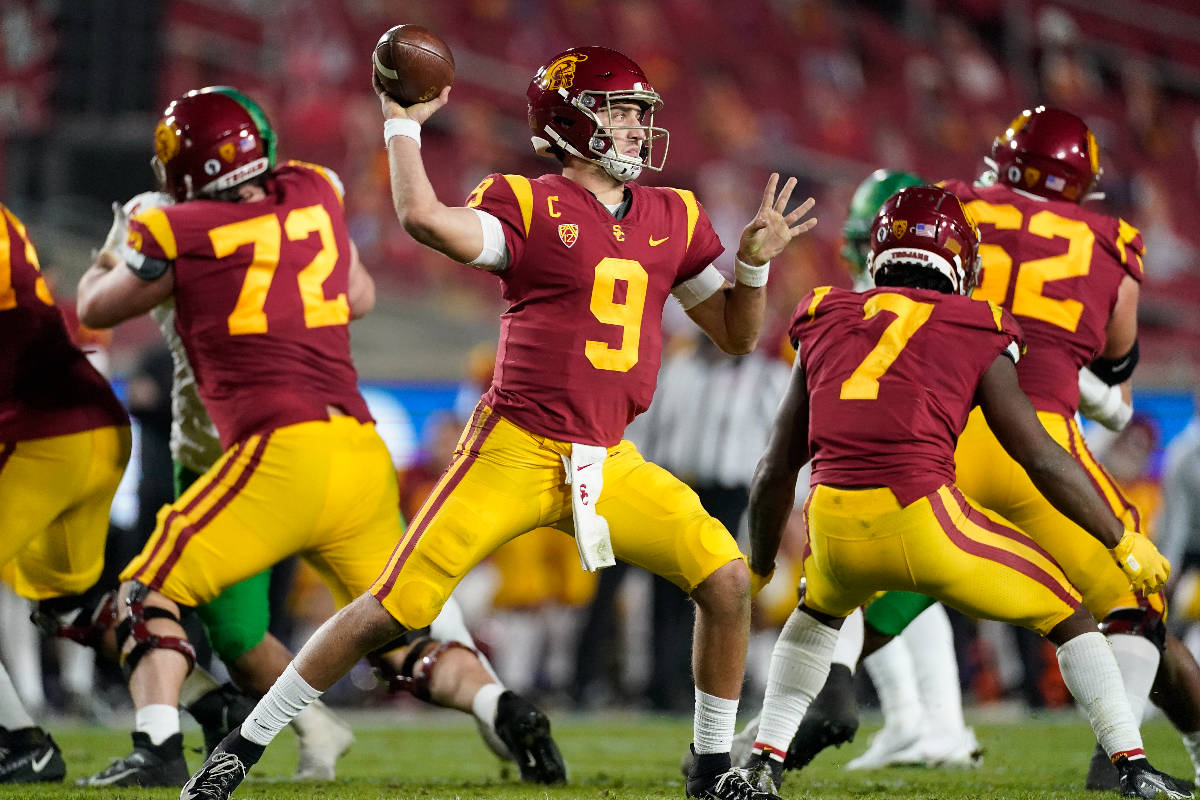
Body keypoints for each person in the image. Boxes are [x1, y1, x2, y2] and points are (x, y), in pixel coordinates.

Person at [184, 44, 816, 800]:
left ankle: (712, 770)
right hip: (511, 449)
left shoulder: (672, 214)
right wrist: (401, 126)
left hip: (608, 457)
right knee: (393, 608)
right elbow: (424, 220)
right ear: (570, 123)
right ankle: (238, 749)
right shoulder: (529, 202)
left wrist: (754, 266)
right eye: (618, 114)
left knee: (724, 581)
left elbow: (738, 335)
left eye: (639, 115)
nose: (636, 130)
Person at [74, 85, 565, 789]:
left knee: (140, 595)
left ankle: (155, 748)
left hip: (270, 454)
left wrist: (118, 244)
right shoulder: (312, 192)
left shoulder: (171, 228)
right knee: (391, 633)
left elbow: (95, 306)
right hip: (358, 448)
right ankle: (499, 704)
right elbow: (358, 296)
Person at [739, 183, 1191, 800]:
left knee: (816, 615)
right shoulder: (976, 324)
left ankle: (762, 763)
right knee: (1072, 614)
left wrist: (763, 564)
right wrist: (1122, 536)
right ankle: (1133, 768)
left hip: (834, 528)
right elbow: (1038, 454)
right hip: (926, 521)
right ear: (962, 261)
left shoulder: (823, 314)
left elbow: (773, 470)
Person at [944, 106, 1200, 791]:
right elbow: (1116, 359)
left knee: (845, 589)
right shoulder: (1109, 238)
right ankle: (1118, 758)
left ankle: (761, 743)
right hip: (1043, 441)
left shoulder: (960, 204)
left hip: (941, 434)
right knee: (1135, 599)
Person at [0, 201, 132, 783]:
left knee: (24, 600)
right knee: (71, 604)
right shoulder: (55, 304)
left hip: (42, 441)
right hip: (98, 435)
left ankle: (22, 730)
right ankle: (194, 707)